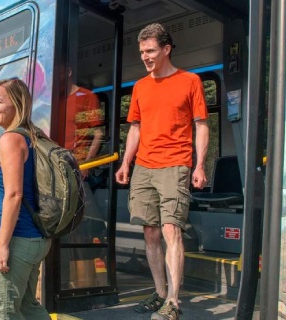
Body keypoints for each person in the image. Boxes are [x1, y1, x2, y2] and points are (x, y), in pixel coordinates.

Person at [115, 23, 208, 320]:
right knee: (150, 231)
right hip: (144, 166)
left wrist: (200, 164)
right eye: (142, 51)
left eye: (151, 50)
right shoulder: (140, 86)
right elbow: (136, 129)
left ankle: (173, 301)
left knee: (171, 230)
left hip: (175, 164)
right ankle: (159, 292)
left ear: (166, 49)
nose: (145, 56)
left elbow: (201, 125)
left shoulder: (190, 81)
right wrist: (126, 162)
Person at [0, 78, 51, 320]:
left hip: (17, 240)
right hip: (35, 238)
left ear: (17, 104)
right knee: (27, 309)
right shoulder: (34, 136)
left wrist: (2, 246)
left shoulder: (11, 139)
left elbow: (14, 194)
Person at [63, 66, 105, 289]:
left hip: (78, 169)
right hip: (54, 170)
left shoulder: (86, 97)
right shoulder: (50, 100)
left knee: (83, 226)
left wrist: (87, 162)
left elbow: (97, 132)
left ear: (69, 71)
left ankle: (86, 282)